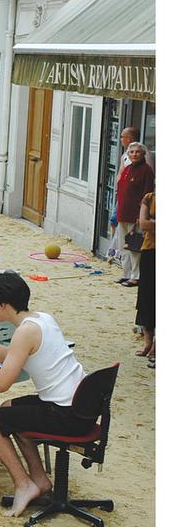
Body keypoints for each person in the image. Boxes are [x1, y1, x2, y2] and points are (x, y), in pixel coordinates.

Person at [0, 272, 88, 517]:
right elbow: (11, 355)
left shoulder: (25, 332)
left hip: (65, 414)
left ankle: (23, 484)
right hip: (79, 406)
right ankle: (39, 480)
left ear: (3, 305)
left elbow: (2, 382)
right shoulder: (41, 319)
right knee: (7, 408)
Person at [114, 142, 154, 287]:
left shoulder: (146, 171)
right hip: (122, 214)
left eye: (137, 152)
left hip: (136, 216)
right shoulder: (127, 169)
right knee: (123, 246)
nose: (134, 155)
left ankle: (135, 276)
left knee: (135, 247)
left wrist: (141, 216)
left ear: (143, 154)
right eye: (132, 152)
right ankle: (126, 273)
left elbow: (147, 195)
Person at [136, 190, 155, 366]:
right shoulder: (149, 198)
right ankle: (148, 342)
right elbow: (143, 223)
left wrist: (153, 222)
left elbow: (149, 223)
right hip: (150, 251)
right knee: (146, 297)